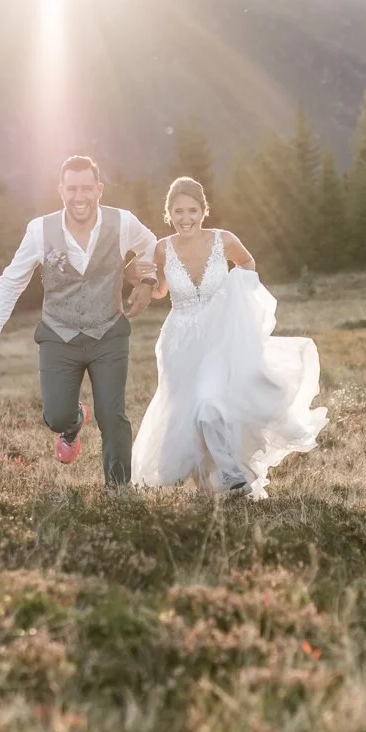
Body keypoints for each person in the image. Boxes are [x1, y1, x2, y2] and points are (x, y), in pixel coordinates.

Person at [132, 176, 327, 499]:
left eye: (192, 210)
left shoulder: (224, 240)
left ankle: (232, 473)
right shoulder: (162, 249)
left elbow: (247, 262)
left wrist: (238, 291)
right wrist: (144, 284)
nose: (185, 218)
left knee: (209, 404)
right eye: (178, 211)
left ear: (203, 210)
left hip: (218, 336)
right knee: (185, 411)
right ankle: (207, 482)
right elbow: (160, 290)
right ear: (169, 213)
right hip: (178, 342)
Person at [0, 155, 158, 486]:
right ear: (61, 190)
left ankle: (118, 494)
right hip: (58, 335)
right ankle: (73, 422)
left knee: (112, 416)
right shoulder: (39, 230)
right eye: (72, 189)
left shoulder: (123, 222)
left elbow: (151, 245)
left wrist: (146, 282)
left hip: (108, 332)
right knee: (56, 416)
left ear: (99, 190)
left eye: (86, 188)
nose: (79, 196)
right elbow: (12, 280)